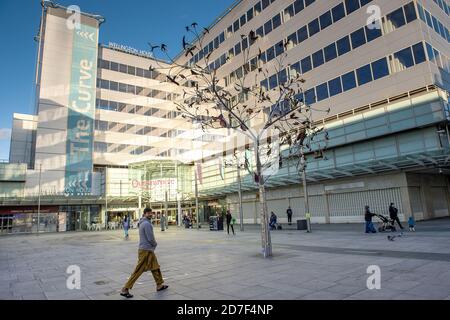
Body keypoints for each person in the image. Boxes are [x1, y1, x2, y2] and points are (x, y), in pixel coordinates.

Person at [120, 207, 168, 298]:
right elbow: (150, 238)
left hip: (147, 250)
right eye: (149, 213)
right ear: (145, 214)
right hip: (146, 250)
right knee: (138, 270)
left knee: (155, 267)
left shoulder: (143, 222)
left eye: (151, 213)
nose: (151, 214)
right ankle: (125, 289)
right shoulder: (146, 224)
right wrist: (155, 244)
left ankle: (159, 285)